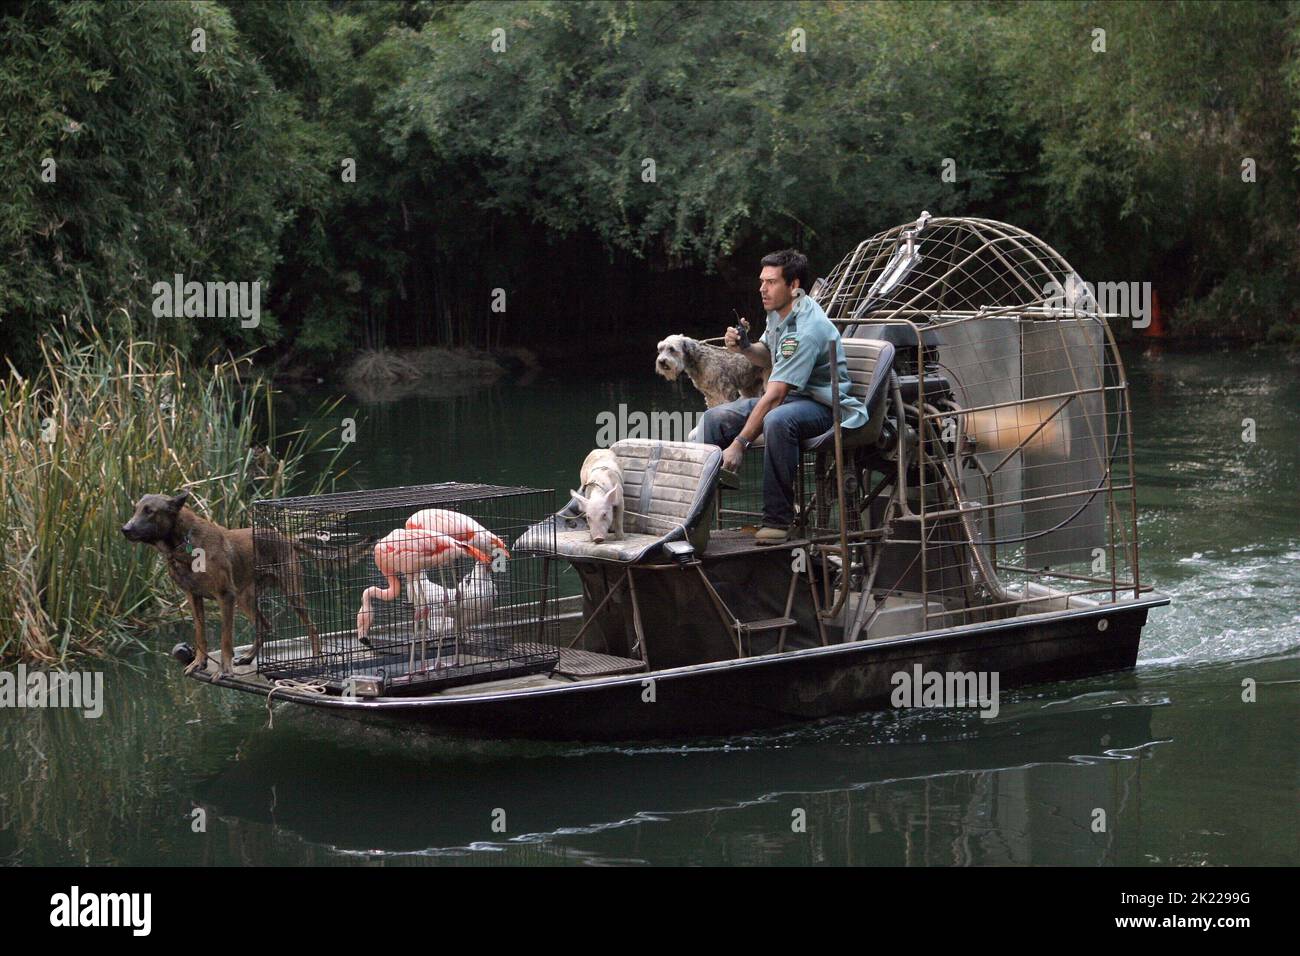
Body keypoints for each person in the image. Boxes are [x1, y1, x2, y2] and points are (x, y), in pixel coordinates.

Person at [696, 249, 868, 545]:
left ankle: (778, 520)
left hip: (825, 406)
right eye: (762, 281)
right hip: (793, 398)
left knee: (777, 419)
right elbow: (766, 355)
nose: (762, 289)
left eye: (771, 282)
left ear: (793, 285)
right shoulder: (778, 312)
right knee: (716, 417)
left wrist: (740, 443)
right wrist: (746, 347)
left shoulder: (806, 329)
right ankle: (702, 518)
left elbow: (775, 396)